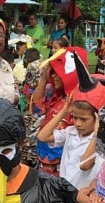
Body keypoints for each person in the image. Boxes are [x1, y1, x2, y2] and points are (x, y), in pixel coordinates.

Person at [32, 47, 87, 176]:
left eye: (58, 73)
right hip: (45, 156)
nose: (54, 76)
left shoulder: (79, 101)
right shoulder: (54, 94)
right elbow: (36, 106)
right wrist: (44, 80)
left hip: (63, 162)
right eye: (52, 72)